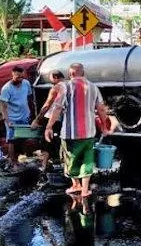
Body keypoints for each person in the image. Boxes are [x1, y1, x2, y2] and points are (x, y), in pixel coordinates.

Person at [45, 63, 110, 197]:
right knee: (87, 160)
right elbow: (101, 109)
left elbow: (57, 108)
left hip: (70, 134)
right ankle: (85, 190)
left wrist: (49, 126)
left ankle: (76, 185)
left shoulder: (65, 86)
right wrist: (104, 127)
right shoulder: (93, 87)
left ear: (70, 74)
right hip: (89, 133)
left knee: (70, 159)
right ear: (83, 72)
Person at [0, 66, 34, 170]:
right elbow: (3, 106)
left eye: (21, 77)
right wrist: (7, 120)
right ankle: (12, 162)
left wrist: (32, 114)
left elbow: (29, 98)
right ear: (12, 75)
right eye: (17, 77)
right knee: (12, 140)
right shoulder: (7, 88)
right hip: (12, 118)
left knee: (21, 139)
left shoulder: (26, 84)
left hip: (24, 116)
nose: (19, 79)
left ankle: (17, 159)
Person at [31, 70, 66, 169]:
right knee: (58, 142)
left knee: (47, 143)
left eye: (50, 78)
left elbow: (47, 105)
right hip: (62, 119)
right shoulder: (68, 86)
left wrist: (37, 120)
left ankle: (44, 166)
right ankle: (58, 164)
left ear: (55, 77)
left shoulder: (56, 87)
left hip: (51, 119)